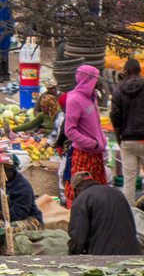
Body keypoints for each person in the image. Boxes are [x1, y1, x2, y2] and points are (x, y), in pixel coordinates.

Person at [67, 171, 143, 255]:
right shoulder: (117, 193)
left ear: (77, 189)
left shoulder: (82, 199)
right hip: (133, 254)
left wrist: (72, 255)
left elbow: (78, 238)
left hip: (105, 257)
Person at [64, 64, 109, 204]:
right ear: (88, 80)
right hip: (83, 155)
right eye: (96, 78)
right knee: (81, 194)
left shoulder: (91, 97)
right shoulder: (74, 100)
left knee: (99, 193)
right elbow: (69, 130)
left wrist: (101, 143)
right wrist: (93, 144)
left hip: (96, 154)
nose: (98, 81)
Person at [112, 58, 144, 204]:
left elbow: (115, 117)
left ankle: (130, 218)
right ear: (139, 71)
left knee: (129, 183)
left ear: (126, 71)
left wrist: (119, 139)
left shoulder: (118, 91)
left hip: (127, 141)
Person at [0, 163, 43, 231]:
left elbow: (19, 213)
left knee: (1, 229)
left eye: (2, 172)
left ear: (11, 172)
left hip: (27, 219)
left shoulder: (23, 187)